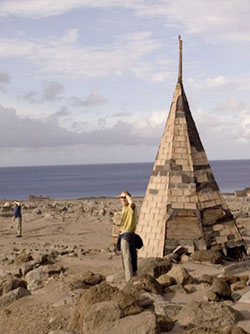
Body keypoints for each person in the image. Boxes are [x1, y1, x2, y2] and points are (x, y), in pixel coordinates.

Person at [117, 190, 137, 281]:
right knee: (131, 257)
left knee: (127, 259)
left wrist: (127, 196)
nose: (122, 199)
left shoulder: (131, 207)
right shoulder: (124, 208)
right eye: (121, 198)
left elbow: (132, 203)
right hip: (126, 235)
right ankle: (134, 277)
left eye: (124, 198)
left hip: (127, 235)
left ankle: (129, 279)